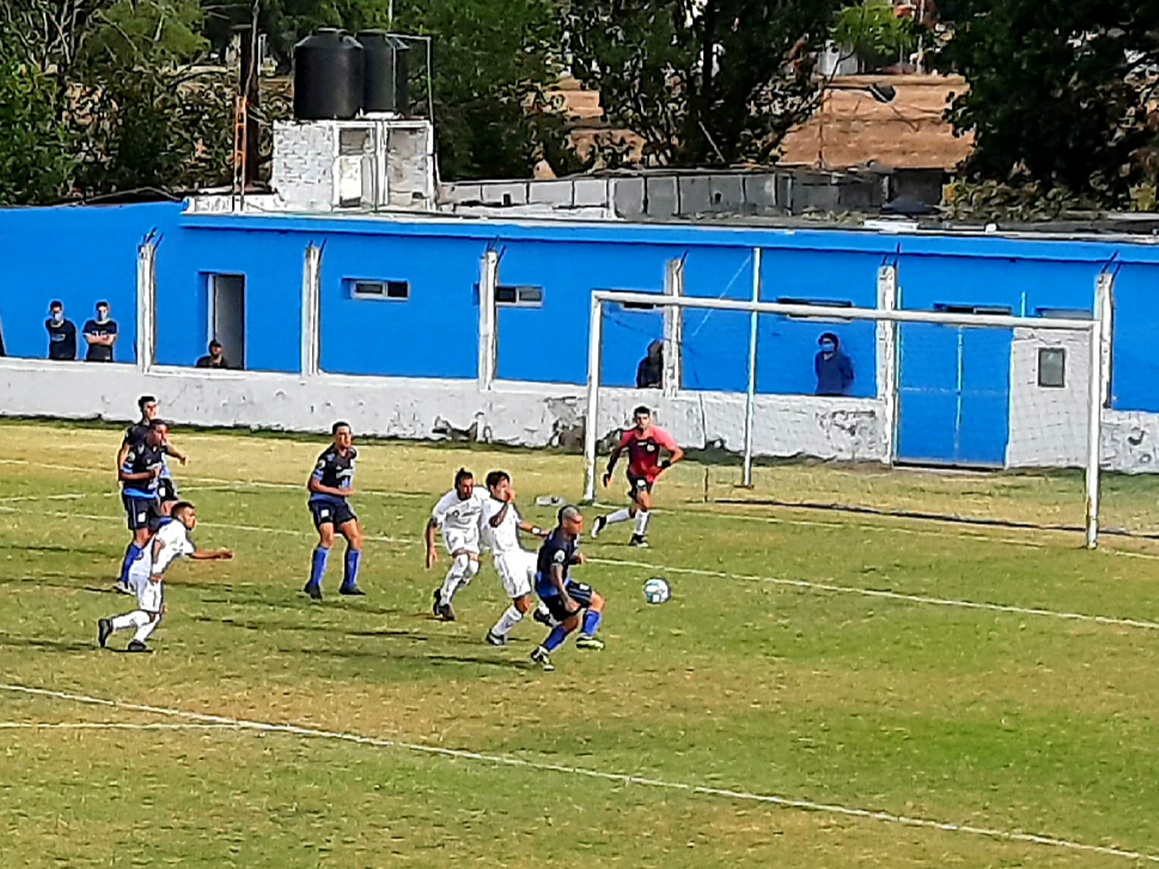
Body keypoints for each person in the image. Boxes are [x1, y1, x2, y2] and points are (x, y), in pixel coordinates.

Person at [98, 502, 232, 653]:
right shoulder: (174, 528)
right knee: (151, 614)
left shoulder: (179, 533)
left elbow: (193, 553)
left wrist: (217, 555)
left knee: (155, 612)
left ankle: (138, 641)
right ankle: (112, 624)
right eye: (191, 515)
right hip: (148, 573)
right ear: (181, 516)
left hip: (144, 572)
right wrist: (154, 569)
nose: (194, 520)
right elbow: (158, 543)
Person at [591, 405, 684, 548]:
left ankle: (603, 521)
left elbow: (678, 453)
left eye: (645, 418)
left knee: (634, 511)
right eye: (639, 419)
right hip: (635, 474)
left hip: (650, 476)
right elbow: (616, 452)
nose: (642, 421)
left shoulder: (657, 435)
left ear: (650, 419)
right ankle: (638, 537)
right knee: (646, 504)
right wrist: (609, 472)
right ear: (634, 420)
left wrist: (666, 464)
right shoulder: (630, 436)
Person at [530, 506, 607, 672]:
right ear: (565, 522)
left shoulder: (568, 536)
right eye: (576, 523)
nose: (580, 526)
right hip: (553, 588)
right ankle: (586, 636)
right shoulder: (560, 544)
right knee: (595, 602)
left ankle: (542, 652)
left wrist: (573, 559)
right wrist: (566, 599)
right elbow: (554, 572)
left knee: (571, 622)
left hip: (557, 584)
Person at [481, 470, 554, 646]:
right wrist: (507, 503)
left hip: (518, 553)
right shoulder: (489, 505)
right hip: (505, 558)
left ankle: (543, 611)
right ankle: (496, 633)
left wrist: (539, 532)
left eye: (508, 485)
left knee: (545, 567)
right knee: (522, 604)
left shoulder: (507, 506)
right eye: (502, 486)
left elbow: (519, 523)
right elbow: (495, 522)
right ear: (492, 489)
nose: (507, 490)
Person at [304, 421, 365, 600]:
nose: (345, 438)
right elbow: (312, 485)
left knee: (356, 538)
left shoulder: (352, 454)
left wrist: (343, 493)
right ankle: (314, 583)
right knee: (327, 537)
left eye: (347, 434)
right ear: (334, 437)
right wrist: (338, 492)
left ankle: (349, 584)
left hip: (340, 503)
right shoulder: (327, 458)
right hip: (322, 501)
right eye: (341, 435)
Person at [425, 468, 487, 622]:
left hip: (472, 534)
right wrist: (431, 548)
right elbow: (432, 525)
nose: (469, 490)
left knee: (472, 569)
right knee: (462, 561)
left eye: (471, 486)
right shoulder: (447, 502)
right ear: (457, 486)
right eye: (465, 486)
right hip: (454, 532)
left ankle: (443, 594)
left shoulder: (481, 495)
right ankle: (445, 602)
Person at [114, 419, 168, 594]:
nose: (163, 437)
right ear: (151, 432)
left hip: (151, 496)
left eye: (165, 433)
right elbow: (124, 475)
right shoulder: (138, 449)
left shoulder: (159, 449)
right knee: (141, 537)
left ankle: (142, 574)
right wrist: (147, 475)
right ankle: (124, 579)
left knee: (154, 535)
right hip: (136, 496)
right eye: (160, 432)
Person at [814, 332, 855, 396]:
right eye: (824, 343)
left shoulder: (842, 359)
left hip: (837, 393)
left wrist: (841, 388)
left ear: (835, 344)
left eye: (828, 342)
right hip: (821, 392)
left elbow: (849, 376)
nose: (826, 345)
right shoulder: (819, 357)